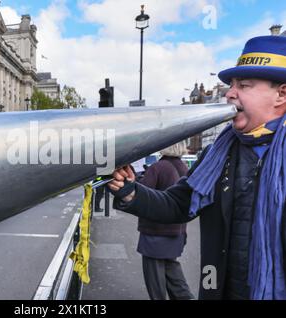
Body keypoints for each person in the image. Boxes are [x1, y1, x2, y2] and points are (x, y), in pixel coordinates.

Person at [108, 35, 286, 300]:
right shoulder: (219, 152)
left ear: (281, 94)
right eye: (231, 85)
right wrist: (130, 191)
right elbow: (178, 204)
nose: (230, 93)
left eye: (244, 85)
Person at [136, 141, 194, 300]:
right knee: (174, 276)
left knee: (155, 283)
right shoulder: (184, 167)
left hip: (155, 233)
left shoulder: (157, 168)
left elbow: (141, 196)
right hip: (177, 231)